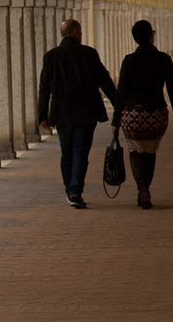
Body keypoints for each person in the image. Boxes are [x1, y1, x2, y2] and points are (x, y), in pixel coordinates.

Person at [38, 19, 117, 209]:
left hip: (62, 113)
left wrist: (42, 115)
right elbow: (104, 81)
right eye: (80, 32)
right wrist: (118, 104)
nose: (81, 35)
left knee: (67, 153)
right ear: (74, 31)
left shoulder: (50, 56)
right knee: (80, 152)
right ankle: (75, 191)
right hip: (86, 112)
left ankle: (70, 190)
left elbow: (44, 88)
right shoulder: (88, 53)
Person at [112, 19, 173, 209]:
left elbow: (121, 93)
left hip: (133, 115)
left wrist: (115, 122)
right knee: (150, 150)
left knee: (135, 150)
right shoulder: (163, 59)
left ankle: (142, 188)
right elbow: (172, 88)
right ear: (151, 36)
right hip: (156, 115)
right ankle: (145, 187)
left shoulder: (129, 61)